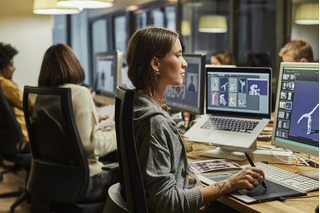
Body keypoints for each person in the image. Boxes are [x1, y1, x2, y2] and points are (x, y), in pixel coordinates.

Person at [127, 26, 265, 213]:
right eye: (178, 55)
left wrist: (197, 191)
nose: (184, 63)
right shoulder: (154, 122)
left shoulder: (136, 104)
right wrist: (229, 183)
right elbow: (166, 202)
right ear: (156, 64)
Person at [37, 44, 117, 202]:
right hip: (86, 182)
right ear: (73, 64)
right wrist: (118, 135)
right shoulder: (79, 93)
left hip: (55, 179)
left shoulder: (42, 95)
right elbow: (90, 145)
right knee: (133, 178)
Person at [0, 43, 29, 152]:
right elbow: (28, 106)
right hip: (24, 138)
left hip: (8, 139)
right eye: (11, 65)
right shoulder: (5, 85)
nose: (14, 68)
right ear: (2, 68)